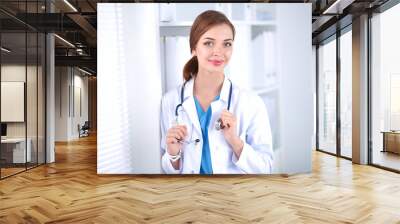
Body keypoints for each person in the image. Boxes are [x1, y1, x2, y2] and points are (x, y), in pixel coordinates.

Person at [160, 10, 273, 174]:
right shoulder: (171, 101)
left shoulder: (251, 103)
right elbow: (169, 168)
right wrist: (173, 154)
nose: (218, 52)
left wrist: (235, 141)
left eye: (226, 44)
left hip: (232, 195)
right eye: (208, 43)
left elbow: (266, 168)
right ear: (193, 48)